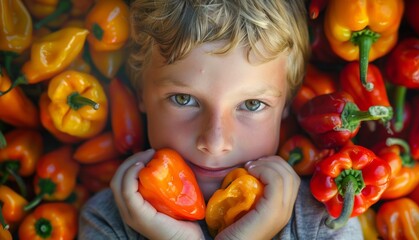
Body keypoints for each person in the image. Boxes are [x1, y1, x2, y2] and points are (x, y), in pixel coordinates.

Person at [79, 0, 363, 239]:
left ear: (287, 102)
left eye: (252, 104)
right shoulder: (106, 220)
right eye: (183, 99)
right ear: (140, 92)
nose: (215, 143)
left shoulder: (325, 222)